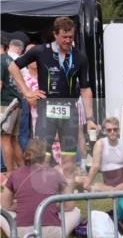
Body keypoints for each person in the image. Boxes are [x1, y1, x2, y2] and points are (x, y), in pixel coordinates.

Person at [11, 17, 98, 180]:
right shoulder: (40, 51)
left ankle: (68, 203)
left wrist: (90, 118)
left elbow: (86, 88)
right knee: (41, 156)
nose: (67, 41)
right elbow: (13, 67)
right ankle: (44, 197)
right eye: (64, 37)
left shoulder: (80, 57)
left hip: (70, 110)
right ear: (55, 35)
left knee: (70, 159)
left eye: (70, 37)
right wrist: (27, 90)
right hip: (47, 110)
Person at [0, 138, 80, 238]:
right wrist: (53, 206)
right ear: (45, 156)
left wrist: (20, 205)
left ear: (26, 154)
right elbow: (70, 205)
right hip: (53, 232)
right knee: (76, 211)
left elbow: (6, 205)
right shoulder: (55, 173)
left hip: (20, 233)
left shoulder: (15, 174)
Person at [82, 117, 123, 191]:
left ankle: (98, 188)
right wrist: (88, 183)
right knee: (116, 190)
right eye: (109, 130)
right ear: (105, 131)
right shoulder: (100, 144)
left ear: (119, 130)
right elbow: (95, 166)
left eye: (115, 129)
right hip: (111, 180)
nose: (112, 132)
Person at [1, 38, 25, 171]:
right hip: (16, 103)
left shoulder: (0, 60)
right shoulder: (10, 60)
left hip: (5, 104)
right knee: (13, 140)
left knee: (4, 141)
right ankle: (22, 172)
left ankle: (10, 174)